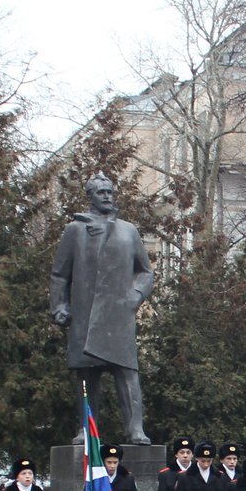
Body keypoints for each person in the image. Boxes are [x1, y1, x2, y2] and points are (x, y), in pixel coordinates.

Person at [49, 171, 154, 443]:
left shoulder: (128, 230)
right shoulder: (74, 230)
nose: (107, 196)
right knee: (87, 377)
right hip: (86, 314)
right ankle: (86, 429)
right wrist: (60, 306)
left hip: (119, 314)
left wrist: (135, 296)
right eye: (100, 192)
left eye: (109, 191)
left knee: (128, 373)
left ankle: (135, 429)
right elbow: (60, 274)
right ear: (90, 197)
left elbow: (145, 271)